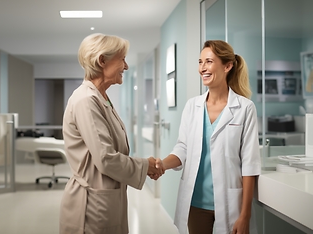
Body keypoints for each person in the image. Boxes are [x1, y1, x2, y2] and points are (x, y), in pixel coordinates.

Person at [59, 33, 164, 234]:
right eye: (122, 59)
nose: (125, 66)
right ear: (102, 61)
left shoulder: (101, 98)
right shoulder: (86, 100)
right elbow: (106, 158)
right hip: (91, 206)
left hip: (106, 199)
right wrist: (145, 166)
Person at [157, 40, 261, 234]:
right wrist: (162, 164)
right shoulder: (192, 106)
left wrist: (245, 215)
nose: (202, 68)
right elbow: (182, 148)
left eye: (209, 61)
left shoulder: (245, 108)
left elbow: (250, 164)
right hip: (195, 203)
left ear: (227, 66)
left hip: (231, 203)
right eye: (200, 62)